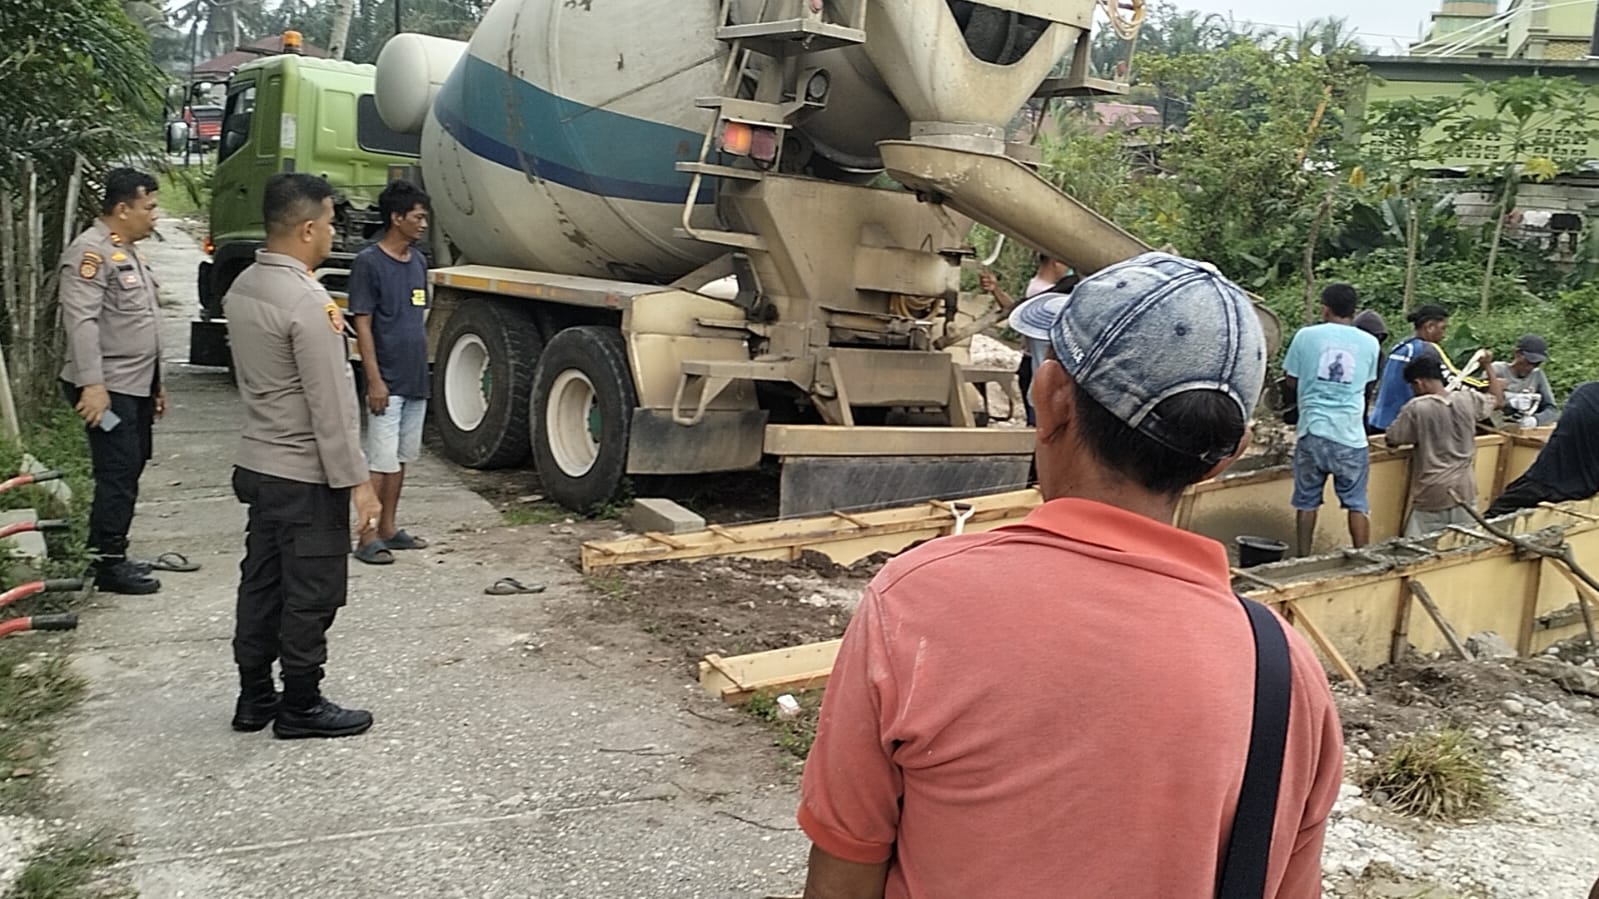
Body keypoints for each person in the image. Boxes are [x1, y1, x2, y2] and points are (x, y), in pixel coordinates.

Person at [798, 252, 1343, 898]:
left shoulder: (918, 603)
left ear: (1051, 397)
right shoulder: (1286, 675)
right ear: (1223, 459)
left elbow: (842, 877)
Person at [224, 173, 382, 739]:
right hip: (303, 475)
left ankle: (254, 696)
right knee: (311, 593)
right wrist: (359, 483)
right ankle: (301, 704)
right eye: (332, 223)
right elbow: (331, 404)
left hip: (259, 463)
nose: (335, 233)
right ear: (308, 228)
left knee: (261, 585)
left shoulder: (244, 285)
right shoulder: (309, 302)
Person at [57, 168, 167, 595]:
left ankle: (111, 550)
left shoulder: (127, 250)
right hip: (107, 387)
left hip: (135, 385)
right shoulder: (90, 252)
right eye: (149, 207)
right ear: (123, 209)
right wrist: (92, 385)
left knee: (132, 464)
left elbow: (143, 322)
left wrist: (157, 384)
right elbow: (81, 321)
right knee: (117, 470)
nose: (155, 215)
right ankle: (107, 564)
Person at [349, 180, 432, 565]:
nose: (424, 224)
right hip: (387, 379)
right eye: (418, 217)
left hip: (415, 378)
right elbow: (363, 324)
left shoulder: (418, 262)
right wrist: (375, 380)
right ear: (396, 218)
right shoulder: (369, 263)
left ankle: (388, 527)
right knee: (380, 461)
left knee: (400, 458)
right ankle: (366, 535)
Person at [1282, 283, 1381, 556]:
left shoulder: (1305, 336)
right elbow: (1367, 383)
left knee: (1306, 502)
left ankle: (1303, 556)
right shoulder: (1370, 343)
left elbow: (1291, 379)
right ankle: (1363, 557)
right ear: (1354, 311)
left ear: (1325, 309)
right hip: (1350, 436)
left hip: (1312, 430)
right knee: (1357, 503)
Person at [1385, 355, 1505, 537]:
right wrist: (1488, 366)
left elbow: (1393, 438)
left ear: (1419, 383)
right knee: (1464, 544)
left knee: (1415, 546)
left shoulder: (1417, 407)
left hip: (1432, 495)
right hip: (1465, 491)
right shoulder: (1468, 399)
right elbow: (1497, 400)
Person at [979, 254, 1076, 426]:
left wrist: (996, 290)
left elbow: (1016, 310)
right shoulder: (1050, 294)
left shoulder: (1040, 288)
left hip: (1033, 366)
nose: (1069, 270)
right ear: (1056, 262)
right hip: (1042, 370)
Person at [1486, 382, 1599, 518]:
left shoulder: (1585, 392)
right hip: (1584, 491)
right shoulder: (1586, 394)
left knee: (1493, 517)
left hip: (1543, 482)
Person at [1369, 304, 1483, 431]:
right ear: (1430, 327)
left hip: (1379, 419)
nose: (1444, 335)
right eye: (1443, 328)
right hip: (1403, 423)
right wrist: (1484, 385)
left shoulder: (1402, 346)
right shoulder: (1427, 349)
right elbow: (1454, 379)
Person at [1491, 334, 1558, 428]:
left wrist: (1536, 420)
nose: (1530, 367)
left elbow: (1552, 410)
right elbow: (1479, 402)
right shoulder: (1496, 370)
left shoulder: (1537, 375)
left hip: (1522, 429)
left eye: (1536, 364)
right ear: (1517, 354)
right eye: (1529, 362)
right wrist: (1509, 402)